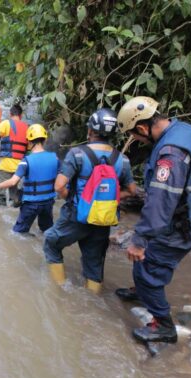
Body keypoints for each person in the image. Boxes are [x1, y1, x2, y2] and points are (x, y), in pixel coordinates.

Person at [115, 96, 191, 344]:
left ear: (142, 128)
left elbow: (161, 202)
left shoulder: (170, 154)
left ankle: (163, 326)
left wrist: (139, 240)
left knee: (147, 266)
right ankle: (143, 294)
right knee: (154, 256)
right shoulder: (184, 130)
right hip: (189, 211)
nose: (139, 141)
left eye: (137, 136)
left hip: (187, 220)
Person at [43, 108, 137, 293]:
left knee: (51, 242)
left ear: (91, 131)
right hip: (103, 218)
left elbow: (59, 186)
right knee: (94, 263)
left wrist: (71, 197)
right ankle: (92, 299)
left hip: (77, 215)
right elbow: (131, 190)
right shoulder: (122, 159)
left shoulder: (77, 154)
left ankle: (60, 290)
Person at [0, 124, 59, 233]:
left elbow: (13, 182)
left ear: (29, 142)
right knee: (47, 231)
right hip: (48, 202)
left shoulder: (26, 161)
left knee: (18, 233)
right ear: (44, 140)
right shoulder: (55, 157)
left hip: (31, 204)